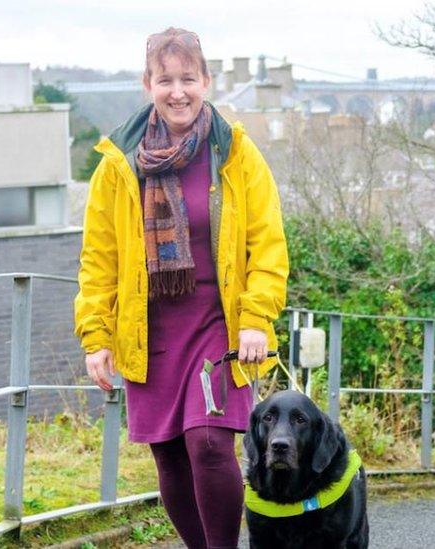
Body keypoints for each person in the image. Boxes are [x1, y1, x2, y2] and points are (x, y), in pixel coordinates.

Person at [73, 27, 289, 549]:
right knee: (170, 453)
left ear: (206, 81)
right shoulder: (118, 165)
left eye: (188, 79)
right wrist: (96, 335)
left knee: (210, 443)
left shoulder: (235, 153)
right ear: (147, 83)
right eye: (164, 79)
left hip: (218, 322)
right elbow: (98, 258)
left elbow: (267, 242)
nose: (177, 91)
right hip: (150, 330)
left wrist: (257, 317)